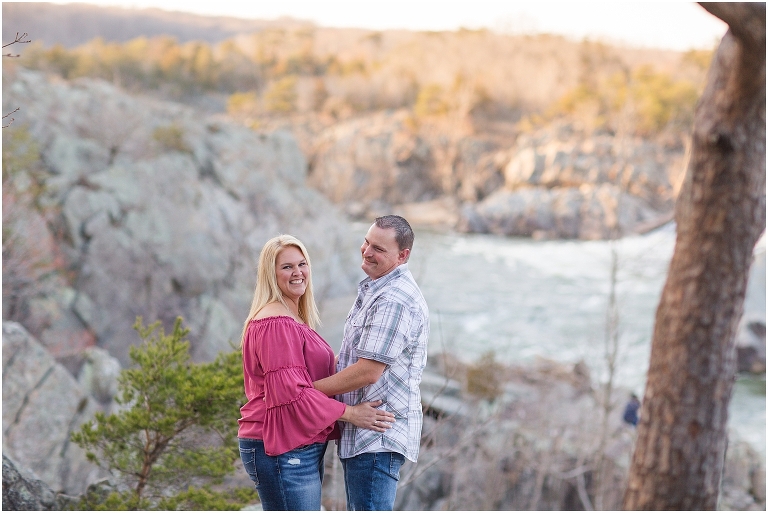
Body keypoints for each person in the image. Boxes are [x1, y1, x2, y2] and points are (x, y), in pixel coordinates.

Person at [237, 234, 395, 511]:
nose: (298, 272)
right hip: (280, 446)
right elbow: (292, 394)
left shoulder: (292, 317)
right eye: (287, 267)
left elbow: (304, 377)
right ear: (270, 275)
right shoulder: (276, 323)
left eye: (302, 264)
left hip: (295, 444)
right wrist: (351, 413)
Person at [314, 215, 430, 511]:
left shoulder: (393, 299)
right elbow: (353, 358)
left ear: (403, 255)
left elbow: (368, 371)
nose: (366, 251)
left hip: (376, 439)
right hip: (364, 436)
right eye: (366, 242)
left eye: (378, 248)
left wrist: (308, 392)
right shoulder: (377, 289)